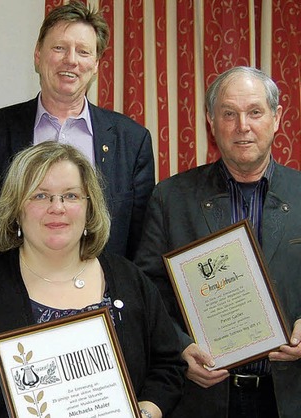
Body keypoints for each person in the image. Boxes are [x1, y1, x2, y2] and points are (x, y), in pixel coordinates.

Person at [0, 141, 184, 418]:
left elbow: (168, 366)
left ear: (89, 208)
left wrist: (145, 413)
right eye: (40, 196)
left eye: (71, 196)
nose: (57, 207)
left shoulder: (129, 278)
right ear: (16, 208)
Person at [134, 66, 301, 418]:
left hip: (289, 395)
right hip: (203, 397)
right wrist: (181, 348)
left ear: (276, 118)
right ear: (211, 121)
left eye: (255, 112)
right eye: (229, 113)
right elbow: (148, 290)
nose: (242, 126)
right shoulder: (172, 198)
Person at [0, 1, 154, 258]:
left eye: (83, 52)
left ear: (96, 64)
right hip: (12, 291)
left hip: (100, 291)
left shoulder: (132, 140)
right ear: (38, 55)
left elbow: (140, 242)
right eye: (59, 48)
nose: (71, 60)